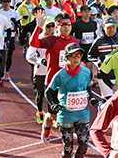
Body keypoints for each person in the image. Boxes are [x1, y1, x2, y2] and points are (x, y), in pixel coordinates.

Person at [29, 11, 79, 142]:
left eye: (68, 24)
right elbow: (33, 43)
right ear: (57, 27)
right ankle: (46, 127)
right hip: (53, 84)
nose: (66, 27)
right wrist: (38, 27)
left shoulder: (74, 42)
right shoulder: (52, 40)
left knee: (68, 115)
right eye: (63, 25)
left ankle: (67, 143)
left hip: (69, 84)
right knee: (53, 115)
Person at [45, 43, 98, 158]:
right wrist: (53, 105)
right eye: (72, 55)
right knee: (68, 149)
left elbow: (87, 88)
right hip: (66, 115)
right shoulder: (60, 75)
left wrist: (92, 98)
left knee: (84, 146)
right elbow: (48, 91)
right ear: (66, 57)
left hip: (82, 114)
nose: (76, 57)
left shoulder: (86, 72)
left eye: (79, 55)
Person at [26, 16, 55, 124]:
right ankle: (40, 112)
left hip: (53, 71)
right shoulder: (38, 39)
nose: (51, 28)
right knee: (41, 93)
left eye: (53, 26)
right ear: (43, 27)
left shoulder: (56, 38)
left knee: (53, 94)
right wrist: (40, 61)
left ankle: (53, 116)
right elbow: (29, 56)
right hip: (40, 71)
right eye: (48, 26)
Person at [88, 16, 118, 100]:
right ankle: (101, 110)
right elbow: (90, 56)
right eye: (108, 27)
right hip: (104, 76)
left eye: (113, 27)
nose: (111, 30)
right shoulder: (98, 41)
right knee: (108, 101)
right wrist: (98, 62)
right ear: (104, 27)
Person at [0, 0, 21, 81]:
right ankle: (1, 71)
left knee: (9, 55)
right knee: (1, 55)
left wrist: (18, 32)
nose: (6, 3)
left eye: (8, 2)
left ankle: (7, 72)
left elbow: (19, 25)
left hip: (11, 36)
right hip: (1, 36)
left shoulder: (14, 13)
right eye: (4, 2)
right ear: (2, 3)